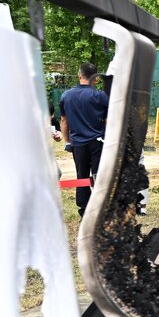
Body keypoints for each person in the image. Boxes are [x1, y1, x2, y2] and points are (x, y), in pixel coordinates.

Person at [59, 62, 109, 217]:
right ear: (96, 78)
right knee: (99, 176)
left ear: (79, 75)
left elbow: (64, 121)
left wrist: (68, 141)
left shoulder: (66, 96)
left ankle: (84, 211)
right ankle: (101, 209)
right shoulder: (100, 95)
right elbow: (107, 120)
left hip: (78, 144)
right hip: (97, 141)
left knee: (81, 176)